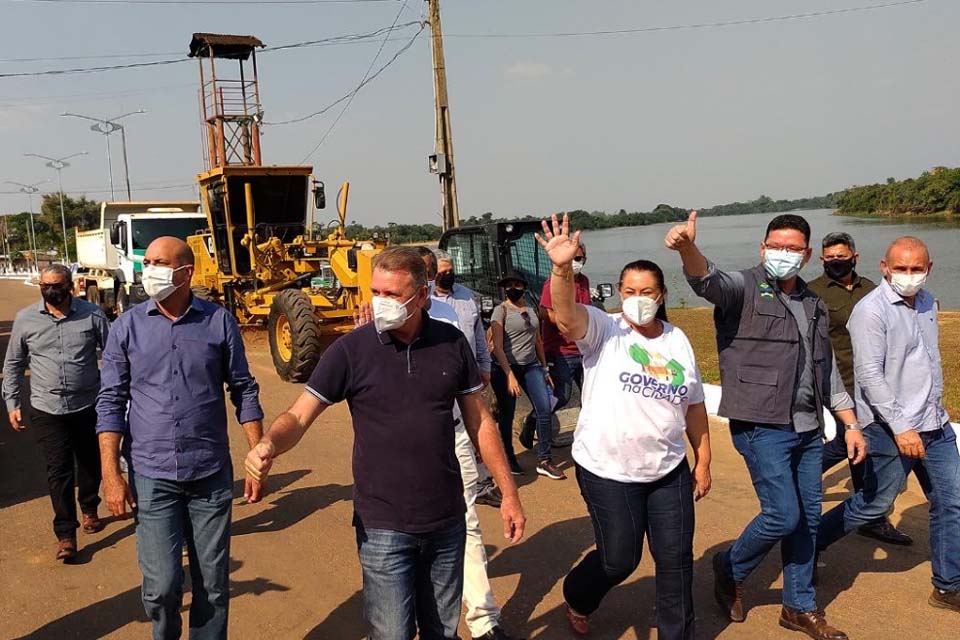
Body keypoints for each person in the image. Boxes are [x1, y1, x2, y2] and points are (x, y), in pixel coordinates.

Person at [245, 247, 525, 640]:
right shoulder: (352, 349)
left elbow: (480, 421)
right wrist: (270, 443)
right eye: (376, 292)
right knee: (391, 633)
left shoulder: (451, 343)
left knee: (441, 631)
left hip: (446, 519)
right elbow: (299, 414)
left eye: (393, 295)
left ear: (422, 295)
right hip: (383, 525)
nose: (381, 303)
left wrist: (509, 493)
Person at [666, 212, 866, 640]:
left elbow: (825, 370)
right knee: (783, 514)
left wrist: (848, 423)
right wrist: (687, 248)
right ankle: (730, 567)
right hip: (761, 425)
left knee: (808, 520)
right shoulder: (744, 288)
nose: (784, 254)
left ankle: (798, 607)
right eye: (776, 245)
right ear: (762, 248)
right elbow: (708, 281)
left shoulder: (813, 302)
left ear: (807, 254)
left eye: (793, 248)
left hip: (809, 429)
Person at [536, 215, 711, 639]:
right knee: (619, 559)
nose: (638, 299)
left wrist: (703, 460)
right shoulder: (604, 329)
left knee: (675, 561)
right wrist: (561, 268)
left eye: (646, 292)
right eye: (629, 291)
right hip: (608, 471)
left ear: (661, 293)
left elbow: (693, 405)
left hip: (668, 471)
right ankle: (579, 595)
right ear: (618, 294)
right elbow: (565, 316)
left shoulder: (677, 340)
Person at [97, 237, 264, 640]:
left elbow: (243, 388)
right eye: (147, 261)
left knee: (213, 584)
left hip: (208, 473)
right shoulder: (127, 327)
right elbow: (110, 400)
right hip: (152, 474)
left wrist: (257, 454)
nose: (148, 269)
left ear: (185, 272)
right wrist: (111, 474)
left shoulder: (218, 321)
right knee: (162, 586)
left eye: (158, 262)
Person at [817, 237, 960, 613]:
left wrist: (934, 410)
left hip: (935, 423)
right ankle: (807, 544)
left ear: (929, 270)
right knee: (871, 504)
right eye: (900, 269)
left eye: (916, 270)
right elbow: (868, 375)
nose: (908, 277)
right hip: (889, 427)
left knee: (952, 502)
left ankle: (947, 586)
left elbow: (928, 361)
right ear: (884, 267)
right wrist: (901, 427)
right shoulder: (871, 311)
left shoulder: (928, 302)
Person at [414, 247, 520, 640]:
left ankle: (483, 619)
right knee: (412, 533)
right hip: (408, 445)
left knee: (468, 523)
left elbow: (475, 403)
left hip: (455, 431)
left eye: (431, 274)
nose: (430, 280)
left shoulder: (451, 319)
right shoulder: (382, 323)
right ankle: (431, 622)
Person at [807, 232, 911, 546]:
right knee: (854, 443)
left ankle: (805, 474)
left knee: (850, 445)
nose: (836, 262)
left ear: (855, 256)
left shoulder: (873, 289)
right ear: (822, 259)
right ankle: (870, 514)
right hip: (840, 383)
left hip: (876, 383)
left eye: (842, 256)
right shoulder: (812, 293)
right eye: (830, 258)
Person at [3, 264, 110, 561]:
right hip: (46, 408)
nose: (51, 290)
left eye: (57, 285)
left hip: (88, 405)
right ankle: (66, 533)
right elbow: (13, 365)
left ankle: (89, 507)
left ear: (70, 286)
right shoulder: (26, 320)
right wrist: (12, 403)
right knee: (58, 470)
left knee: (90, 462)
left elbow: (112, 356)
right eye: (45, 285)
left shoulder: (92, 315)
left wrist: (117, 398)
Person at [430, 252, 502, 508]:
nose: (447, 275)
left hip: (470, 377)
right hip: (439, 379)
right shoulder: (423, 299)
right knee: (446, 432)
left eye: (450, 270)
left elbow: (479, 335)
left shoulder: (466, 295)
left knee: (481, 427)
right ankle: (449, 483)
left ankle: (482, 484)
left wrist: (484, 366)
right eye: (442, 272)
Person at [519, 241, 591, 451]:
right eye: (572, 259)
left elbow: (586, 309)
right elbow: (544, 312)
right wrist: (567, 323)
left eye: (579, 259)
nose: (576, 263)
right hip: (561, 349)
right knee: (563, 395)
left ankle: (589, 437)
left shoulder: (584, 281)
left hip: (584, 348)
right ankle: (534, 419)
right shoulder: (553, 283)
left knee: (591, 394)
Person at [489, 271, 562, 480]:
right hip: (506, 368)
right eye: (509, 285)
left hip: (531, 366)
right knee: (507, 413)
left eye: (517, 285)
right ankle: (509, 457)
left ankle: (545, 459)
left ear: (524, 286)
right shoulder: (500, 311)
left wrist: (545, 368)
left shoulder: (532, 310)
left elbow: (537, 341)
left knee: (544, 407)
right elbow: (499, 348)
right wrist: (509, 375)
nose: (513, 288)